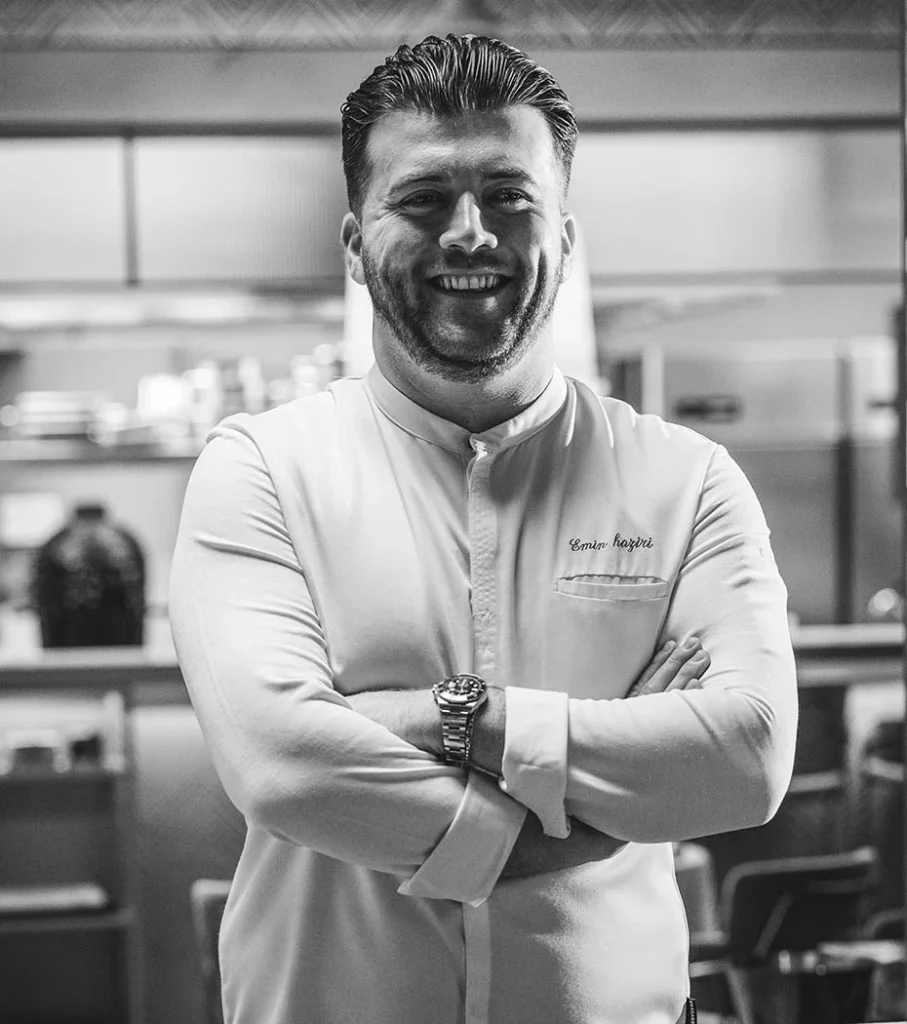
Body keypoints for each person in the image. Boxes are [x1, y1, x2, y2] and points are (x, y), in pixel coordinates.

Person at [169, 33, 798, 1024]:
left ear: (567, 236)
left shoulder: (687, 482)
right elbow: (285, 765)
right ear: (352, 244)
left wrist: (441, 718)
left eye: (509, 196)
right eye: (423, 200)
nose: (470, 233)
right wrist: (578, 828)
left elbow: (746, 757)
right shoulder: (259, 471)